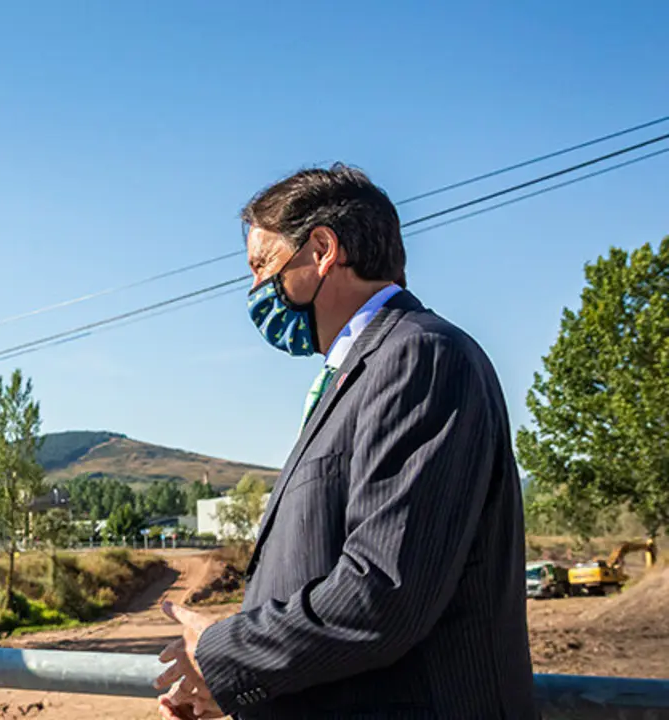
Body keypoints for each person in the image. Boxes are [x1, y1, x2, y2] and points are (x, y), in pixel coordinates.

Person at [156, 165, 534, 719]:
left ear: (322, 249)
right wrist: (237, 694)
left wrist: (224, 658)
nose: (257, 289)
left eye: (262, 265)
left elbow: (383, 592)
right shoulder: (363, 371)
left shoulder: (420, 356)